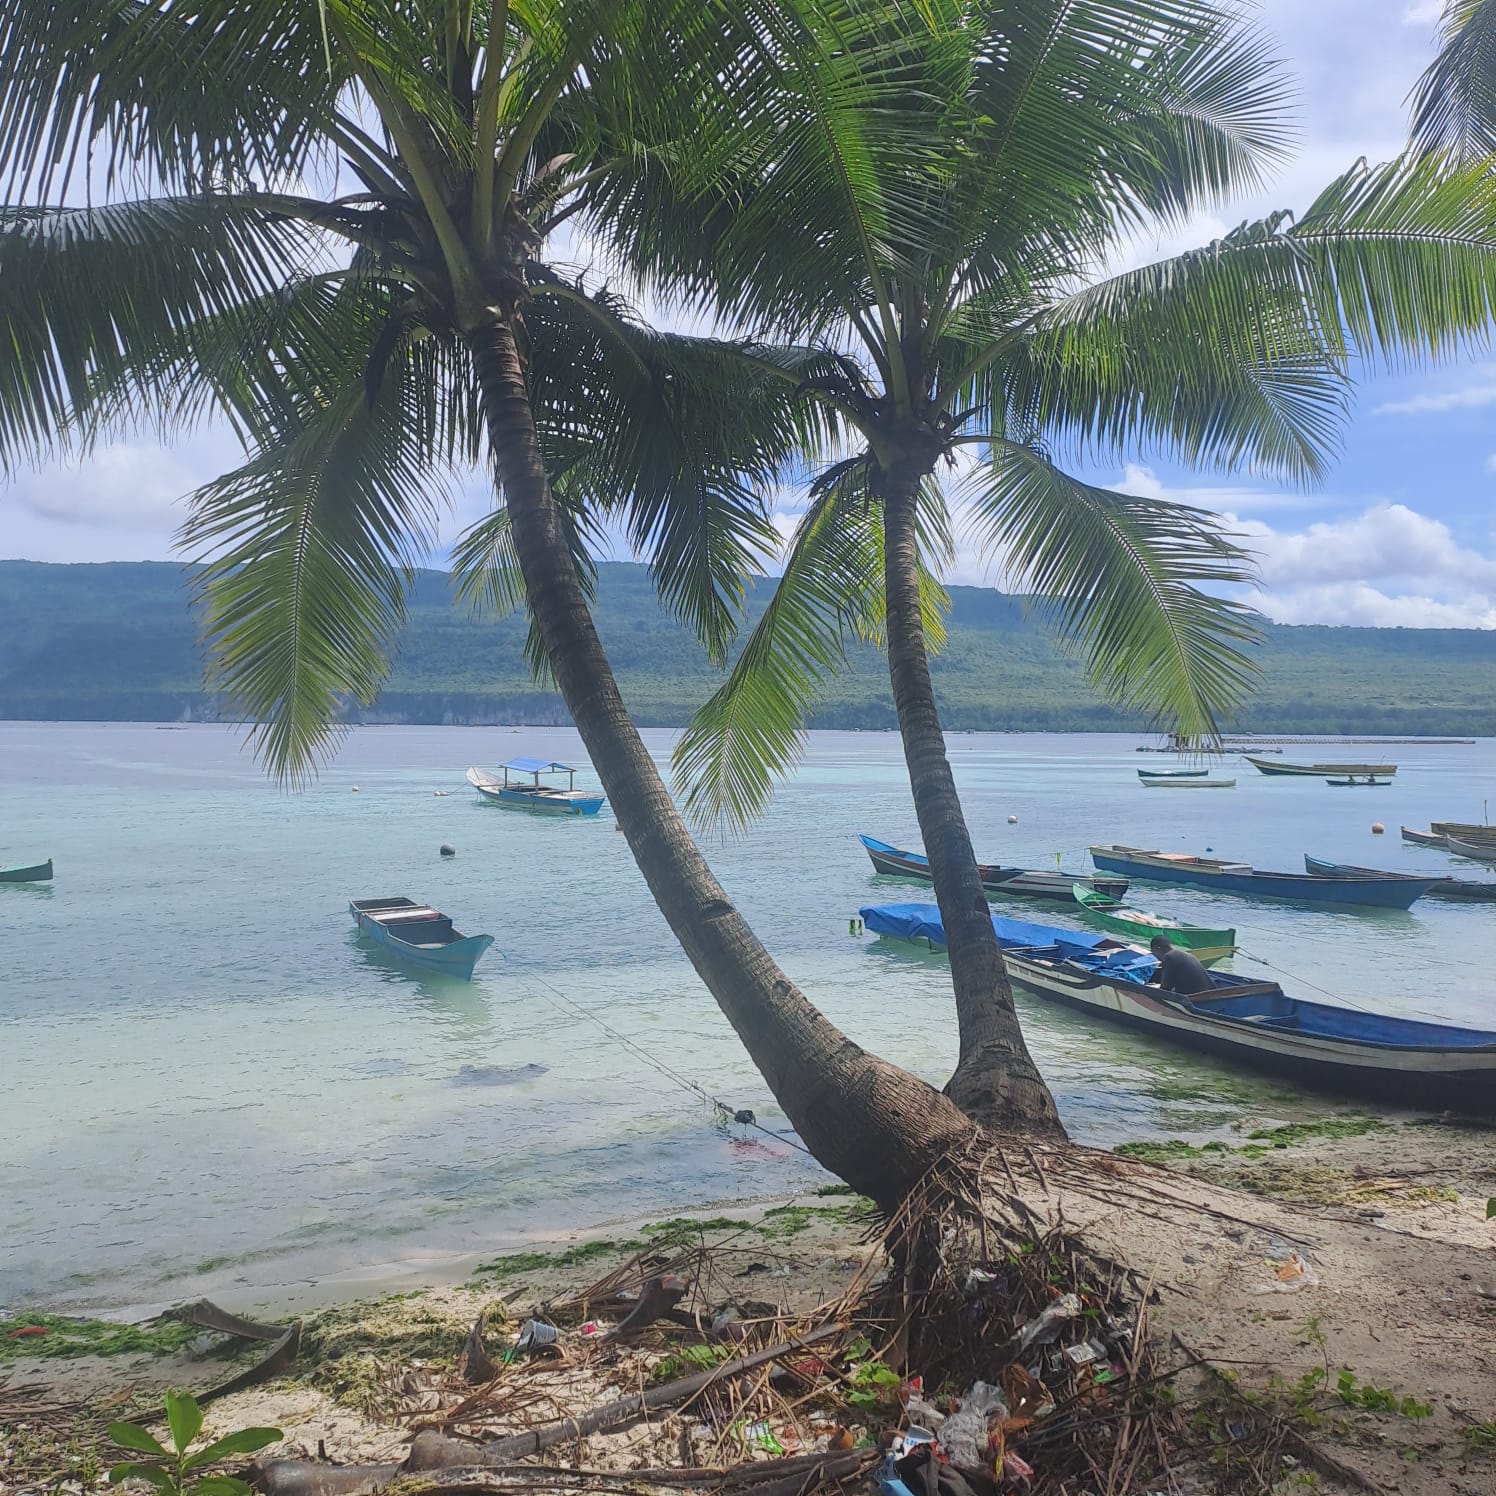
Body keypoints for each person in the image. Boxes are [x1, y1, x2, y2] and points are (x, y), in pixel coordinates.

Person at [1147, 935, 1213, 996]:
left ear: (1158, 948)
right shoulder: (1187, 954)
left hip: (1195, 996)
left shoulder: (1169, 957)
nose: (1156, 957)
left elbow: (1165, 988)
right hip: (1209, 992)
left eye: (1154, 953)